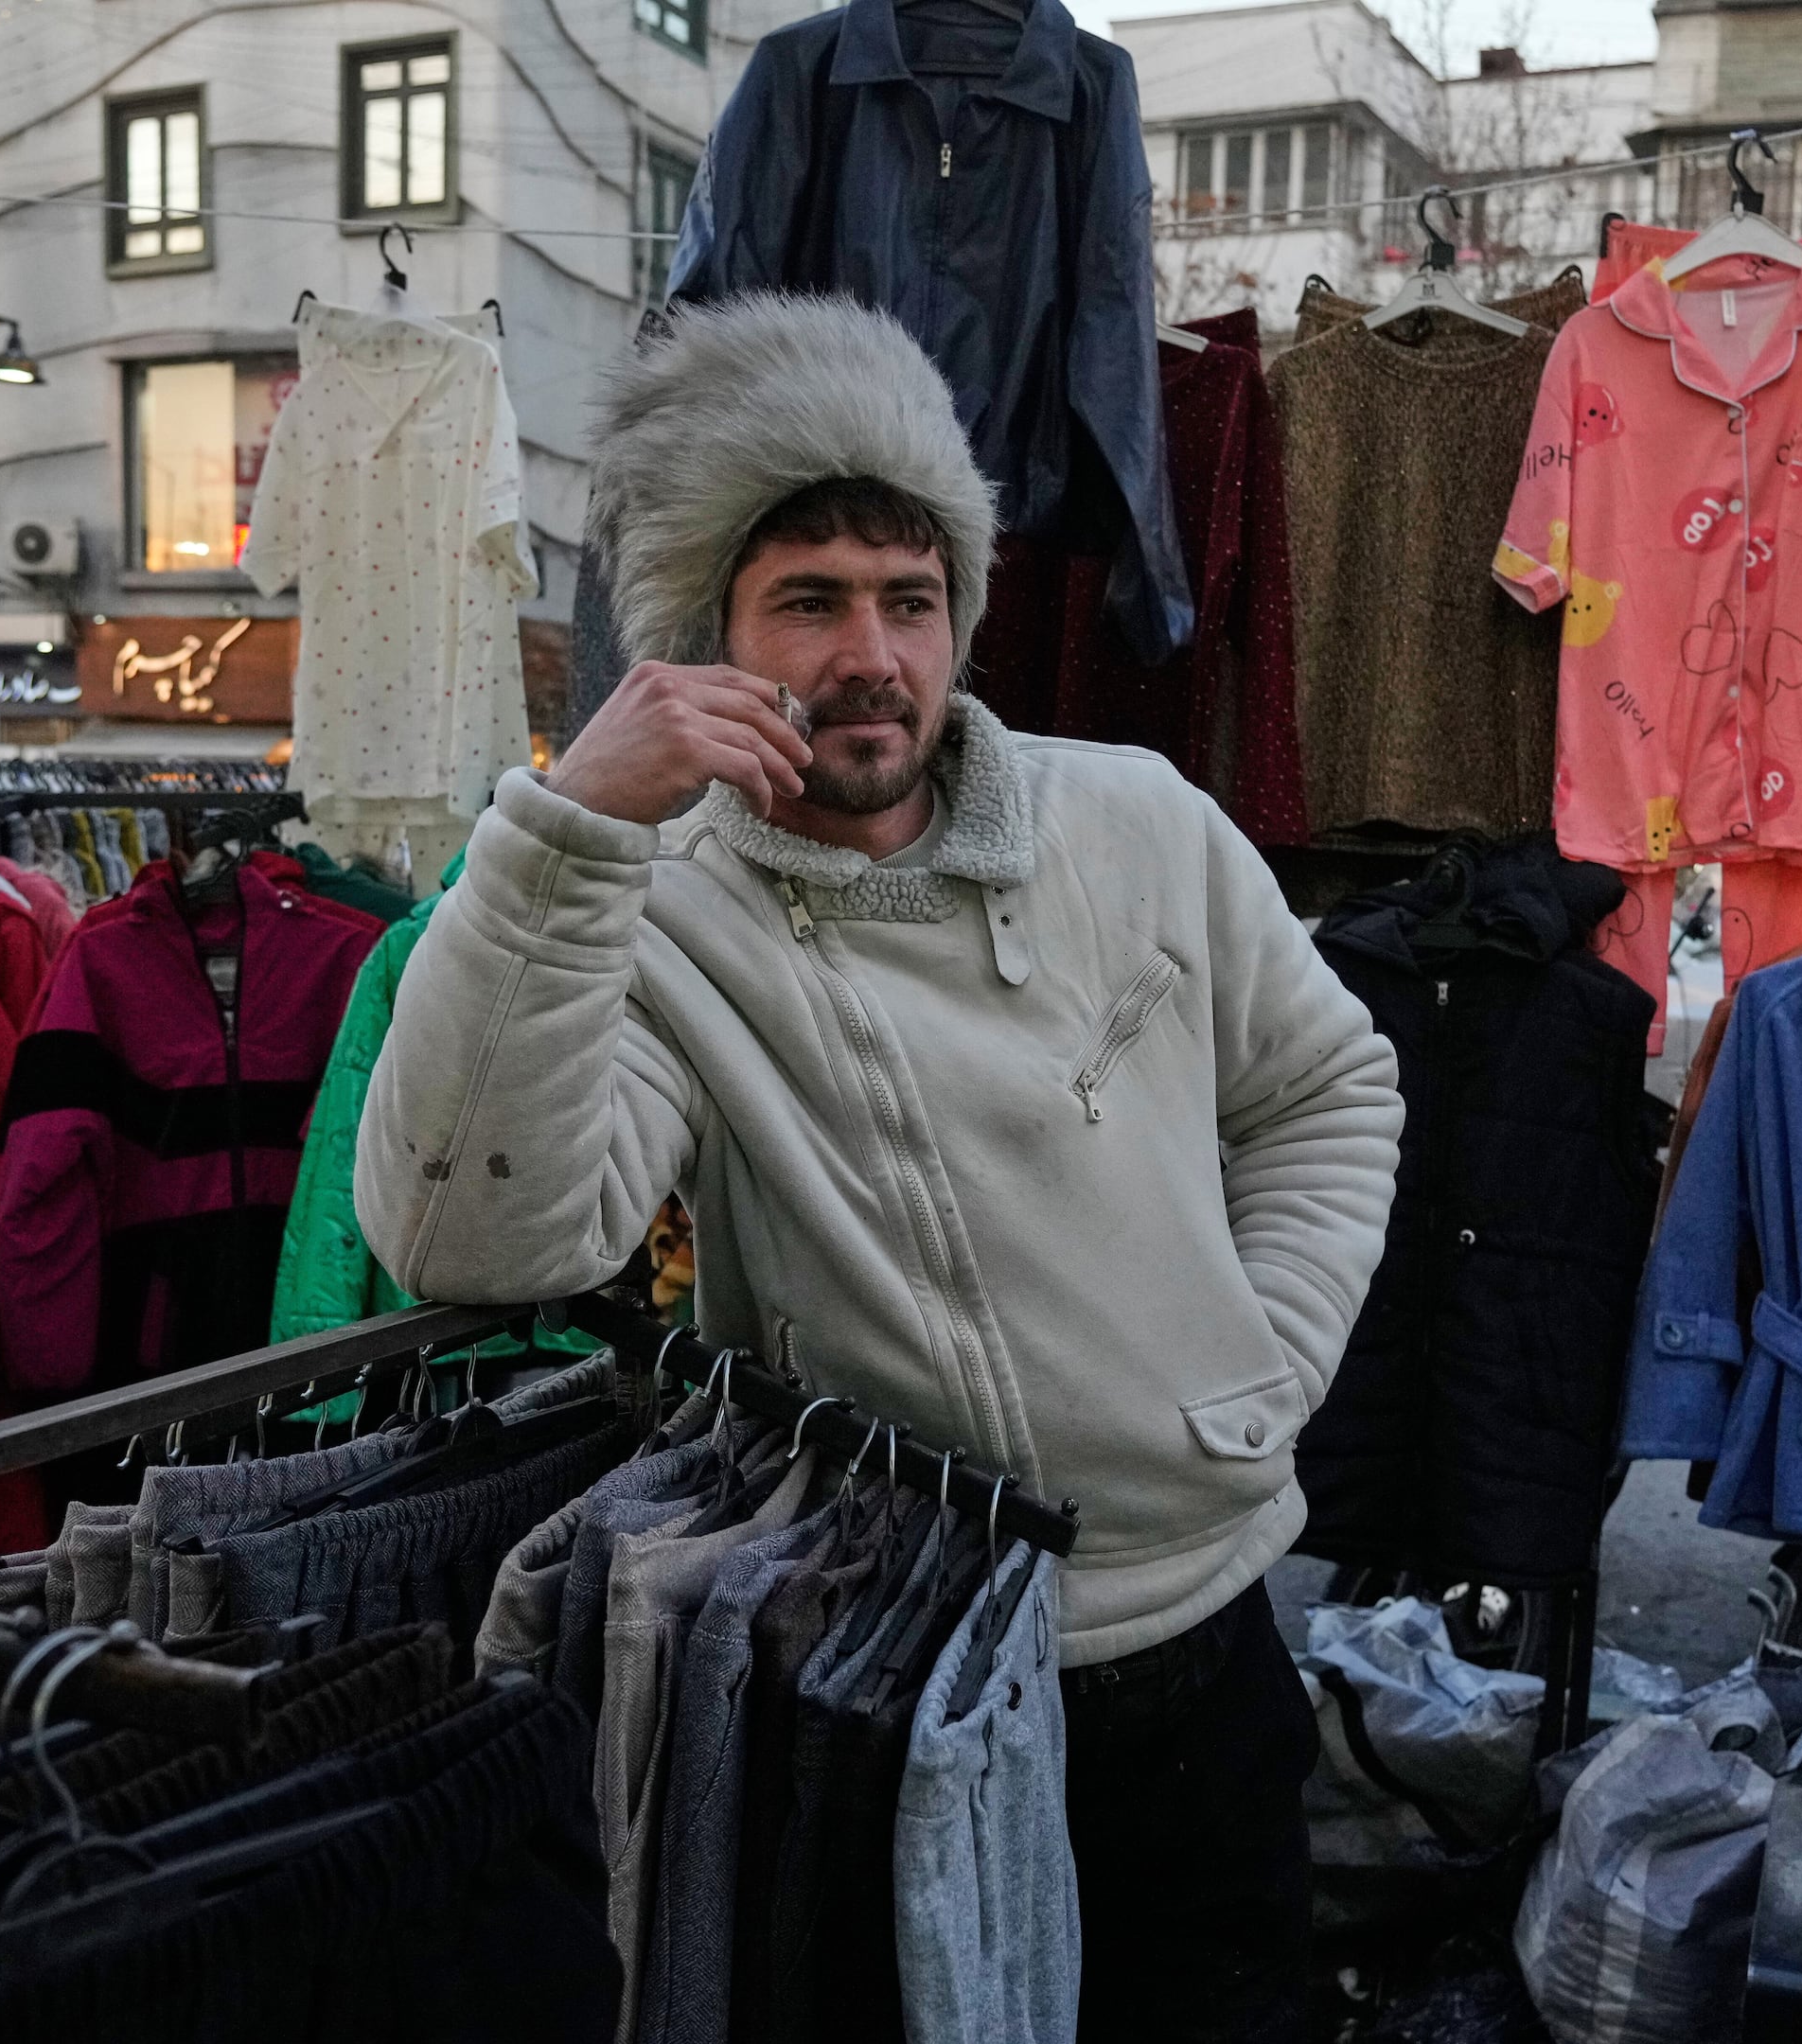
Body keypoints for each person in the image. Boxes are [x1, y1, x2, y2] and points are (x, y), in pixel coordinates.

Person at [357, 292, 1403, 2040]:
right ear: (702, 639)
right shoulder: (661, 907)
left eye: (910, 602)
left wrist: (1260, 1373)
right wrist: (572, 831)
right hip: (896, 1680)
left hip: (1209, 1641)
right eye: (811, 603)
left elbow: (1327, 1087)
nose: (872, 655)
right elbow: (475, 1233)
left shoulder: (1135, 818)